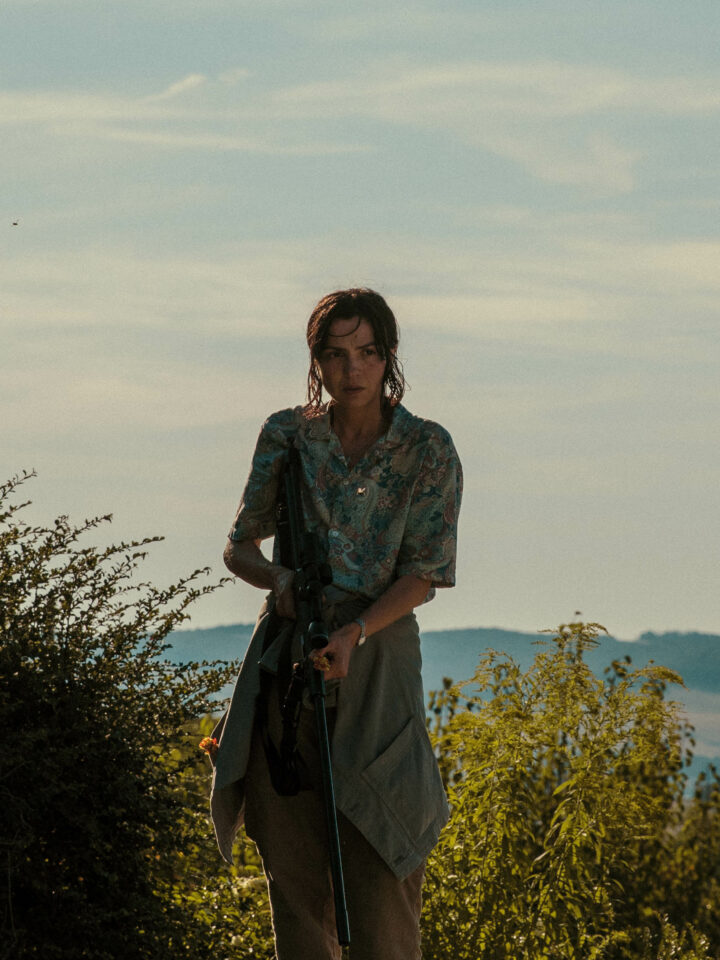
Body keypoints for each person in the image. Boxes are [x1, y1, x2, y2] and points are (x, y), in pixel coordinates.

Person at [209, 288, 463, 960]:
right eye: (336, 353)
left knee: (384, 857)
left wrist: (356, 632)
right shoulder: (286, 436)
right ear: (316, 360)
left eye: (367, 352)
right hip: (292, 658)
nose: (353, 369)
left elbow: (425, 574)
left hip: (378, 660)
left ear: (389, 356)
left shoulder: (427, 448)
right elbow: (239, 545)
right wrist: (282, 584)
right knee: (294, 878)